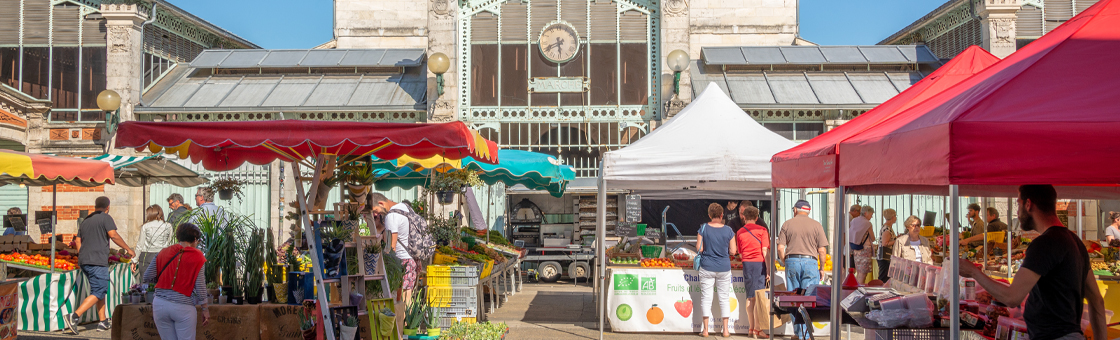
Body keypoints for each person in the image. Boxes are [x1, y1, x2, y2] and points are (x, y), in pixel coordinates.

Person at [959, 185, 1105, 340]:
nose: (1017, 211)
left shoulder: (1045, 243)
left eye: (1018, 204)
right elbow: (1097, 300)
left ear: (1028, 204)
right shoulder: (1075, 241)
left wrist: (973, 272)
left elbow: (1012, 297)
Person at [65, 196, 136, 335]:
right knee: (99, 290)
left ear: (95, 205)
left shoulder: (86, 221)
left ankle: (102, 321)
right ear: (108, 207)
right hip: (97, 261)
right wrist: (128, 249)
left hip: (85, 261)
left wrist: (83, 254)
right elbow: (113, 235)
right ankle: (74, 316)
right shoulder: (105, 218)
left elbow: (78, 240)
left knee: (99, 290)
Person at [144, 223, 210, 340]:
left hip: (160, 303)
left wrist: (162, 280)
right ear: (194, 240)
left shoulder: (163, 252)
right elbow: (200, 286)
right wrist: (204, 309)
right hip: (183, 306)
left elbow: (147, 276)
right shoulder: (198, 256)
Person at [777, 200, 828, 340]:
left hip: (792, 261)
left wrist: (784, 261)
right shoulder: (817, 225)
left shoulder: (787, 224)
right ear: (808, 211)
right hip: (811, 262)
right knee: (809, 299)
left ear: (795, 210)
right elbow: (822, 250)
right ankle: (805, 334)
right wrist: (822, 268)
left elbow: (780, 248)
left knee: (793, 299)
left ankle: (798, 333)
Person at [696, 203, 737, 338]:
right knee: (724, 298)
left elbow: (699, 249)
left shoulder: (703, 228)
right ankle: (725, 330)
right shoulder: (729, 230)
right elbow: (733, 251)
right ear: (721, 215)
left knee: (706, 298)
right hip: (724, 267)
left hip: (707, 266)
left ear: (709, 215)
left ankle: (706, 330)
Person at [368, 193, 417, 306]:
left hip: (402, 260)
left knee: (402, 299)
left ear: (381, 203)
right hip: (411, 257)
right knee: (407, 297)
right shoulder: (405, 208)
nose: (376, 214)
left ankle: (403, 322)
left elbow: (391, 246)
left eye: (376, 210)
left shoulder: (392, 216)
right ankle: (407, 322)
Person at [734, 206, 768, 339]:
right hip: (759, 263)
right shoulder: (763, 230)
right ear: (757, 218)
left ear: (744, 217)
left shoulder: (740, 232)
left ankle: (751, 328)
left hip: (746, 264)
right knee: (758, 297)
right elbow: (765, 251)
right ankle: (757, 329)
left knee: (750, 297)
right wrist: (769, 269)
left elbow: (740, 253)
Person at [136, 205, 174, 273]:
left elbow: (140, 245)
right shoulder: (168, 226)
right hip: (163, 254)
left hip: (147, 255)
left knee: (145, 281)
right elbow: (171, 243)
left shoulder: (145, 226)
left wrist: (134, 260)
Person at [849, 205, 875, 284]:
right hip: (865, 250)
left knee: (859, 272)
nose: (871, 217)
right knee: (863, 274)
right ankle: (859, 290)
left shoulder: (853, 221)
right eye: (871, 215)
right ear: (866, 213)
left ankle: (856, 288)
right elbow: (873, 238)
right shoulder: (868, 224)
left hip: (856, 249)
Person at [877, 208, 897, 281]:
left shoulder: (887, 227)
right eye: (895, 216)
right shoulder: (887, 229)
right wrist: (896, 240)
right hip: (885, 257)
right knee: (884, 278)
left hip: (885, 257)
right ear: (892, 217)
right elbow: (885, 244)